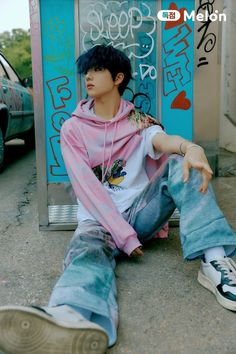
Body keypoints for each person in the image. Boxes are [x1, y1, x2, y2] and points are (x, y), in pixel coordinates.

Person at [0, 44, 236, 354]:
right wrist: (124, 237)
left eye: (97, 70)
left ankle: (214, 260)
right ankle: (70, 314)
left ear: (118, 78)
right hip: (98, 220)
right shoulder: (73, 129)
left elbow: (163, 141)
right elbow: (87, 188)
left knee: (181, 163)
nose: (88, 76)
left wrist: (188, 147)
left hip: (141, 214)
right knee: (86, 250)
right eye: (87, 70)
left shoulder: (138, 121)